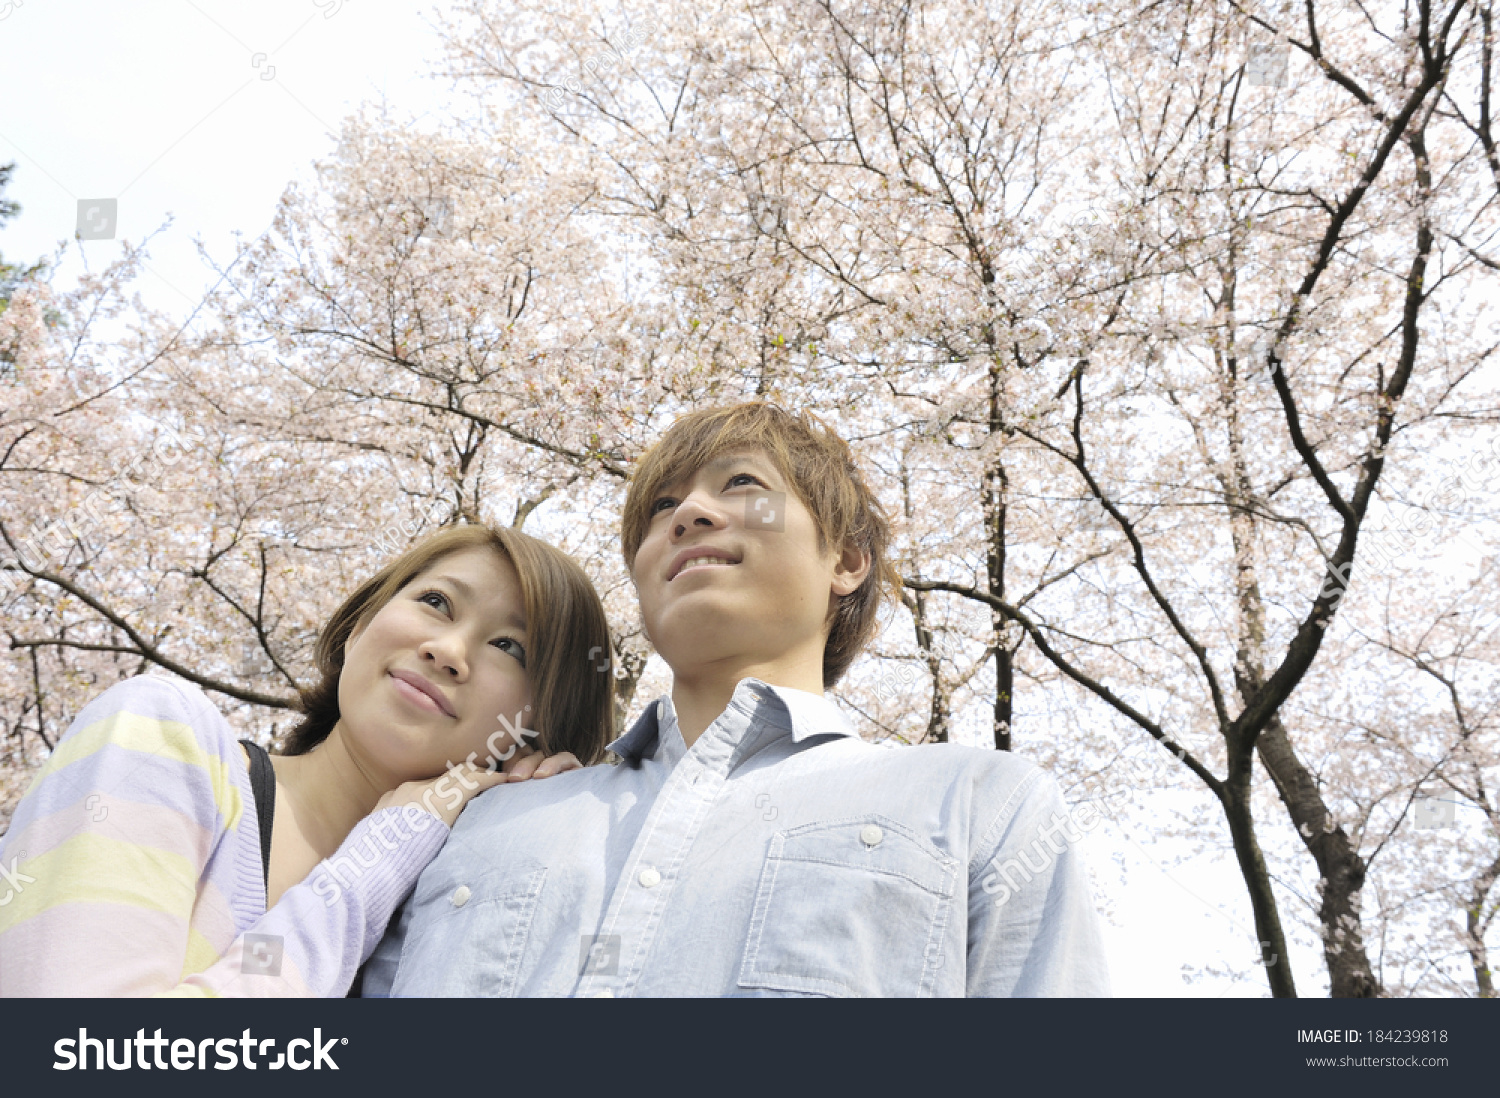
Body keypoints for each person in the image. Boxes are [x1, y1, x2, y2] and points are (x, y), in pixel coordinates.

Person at [364, 402, 1110, 997]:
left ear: (846, 559)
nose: (687, 513)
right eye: (661, 507)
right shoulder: (484, 816)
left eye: (742, 485)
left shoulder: (980, 806)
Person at [0, 523, 613, 996]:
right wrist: (378, 859)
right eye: (436, 602)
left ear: (539, 728)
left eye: (510, 647)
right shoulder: (161, 735)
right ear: (359, 627)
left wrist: (543, 836)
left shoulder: (443, 921)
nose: (447, 650)